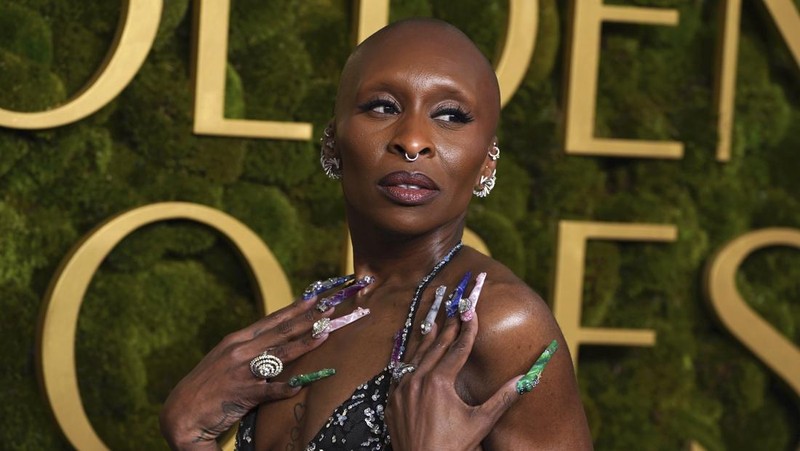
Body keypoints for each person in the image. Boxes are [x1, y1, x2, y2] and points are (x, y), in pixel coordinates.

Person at [160, 18, 593, 450]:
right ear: (332, 141)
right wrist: (190, 436)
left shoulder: (496, 322)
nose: (412, 140)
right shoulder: (324, 310)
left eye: (450, 115)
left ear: (488, 161)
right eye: (383, 107)